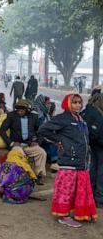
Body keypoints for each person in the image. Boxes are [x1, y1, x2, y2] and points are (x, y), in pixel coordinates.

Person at [39, 94, 97, 227]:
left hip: (81, 161)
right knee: (66, 190)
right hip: (69, 161)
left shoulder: (80, 119)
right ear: (68, 104)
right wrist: (59, 141)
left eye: (79, 102)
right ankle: (63, 216)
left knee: (79, 189)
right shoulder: (63, 118)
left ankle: (80, 212)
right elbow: (43, 129)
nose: (78, 105)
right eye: (75, 102)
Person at [0, 99, 47, 184]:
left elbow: (40, 131)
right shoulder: (11, 116)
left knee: (41, 153)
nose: (20, 112)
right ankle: (20, 177)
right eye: (18, 110)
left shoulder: (33, 117)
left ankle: (37, 176)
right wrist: (11, 143)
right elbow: (2, 131)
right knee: (19, 154)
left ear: (27, 110)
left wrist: (37, 142)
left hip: (29, 144)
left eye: (22, 110)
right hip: (16, 145)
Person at [81, 93, 103, 209]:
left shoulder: (86, 111)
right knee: (100, 172)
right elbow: (96, 132)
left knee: (93, 169)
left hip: (92, 145)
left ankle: (92, 194)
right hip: (99, 146)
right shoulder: (97, 114)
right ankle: (99, 198)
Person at [33, 95, 59, 172]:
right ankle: (53, 163)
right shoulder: (36, 113)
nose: (49, 105)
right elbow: (39, 128)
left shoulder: (45, 112)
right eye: (47, 103)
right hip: (38, 136)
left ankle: (53, 162)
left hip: (45, 134)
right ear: (42, 103)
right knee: (51, 143)